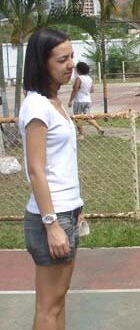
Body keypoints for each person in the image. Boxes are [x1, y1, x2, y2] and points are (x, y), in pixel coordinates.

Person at [18, 28, 84, 330]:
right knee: (48, 308)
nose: (70, 64)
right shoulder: (37, 106)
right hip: (51, 219)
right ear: (42, 63)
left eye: (71, 57)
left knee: (59, 301)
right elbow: (36, 169)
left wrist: (74, 206)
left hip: (65, 212)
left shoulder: (55, 102)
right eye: (62, 59)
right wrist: (52, 224)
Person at [68, 61, 104, 138]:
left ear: (79, 70)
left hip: (79, 101)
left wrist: (70, 100)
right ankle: (99, 127)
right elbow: (92, 90)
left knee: (77, 118)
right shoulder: (89, 79)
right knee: (88, 117)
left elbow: (75, 90)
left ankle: (81, 134)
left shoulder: (79, 78)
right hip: (87, 100)